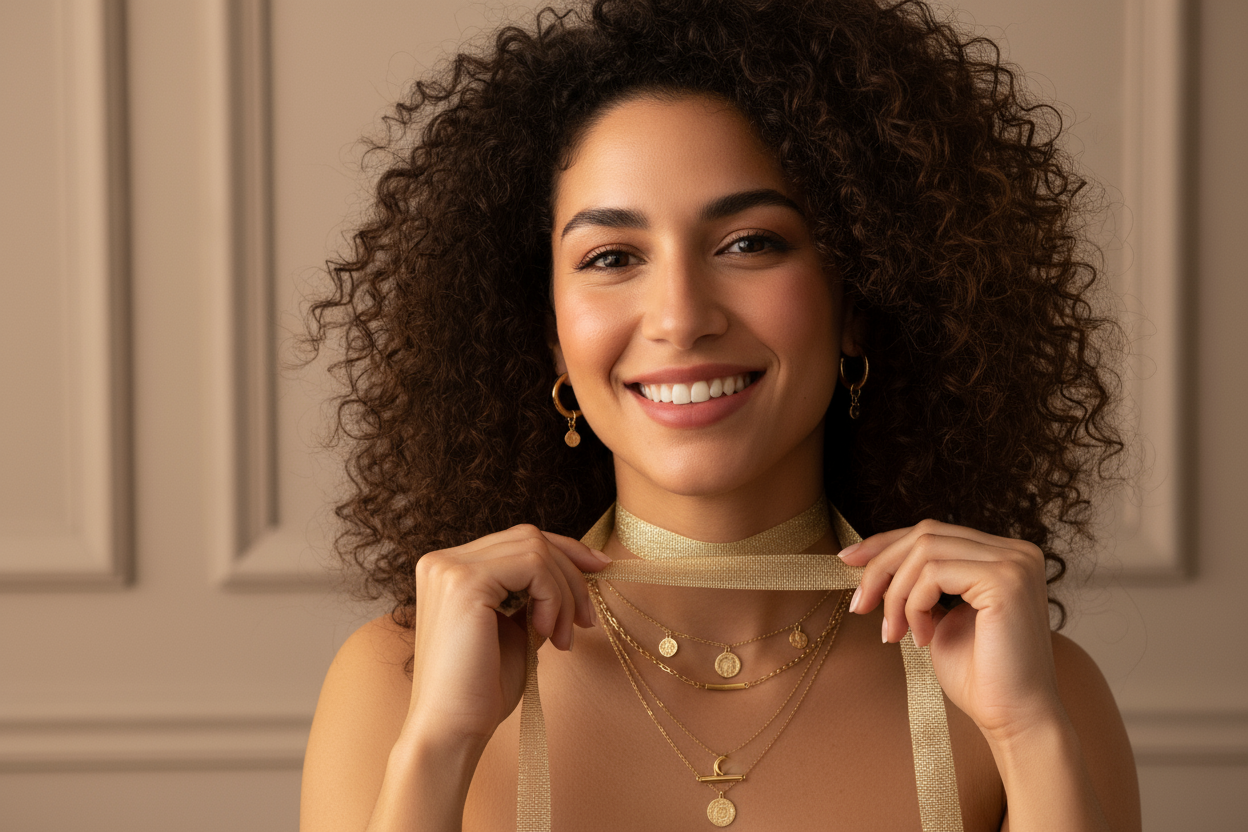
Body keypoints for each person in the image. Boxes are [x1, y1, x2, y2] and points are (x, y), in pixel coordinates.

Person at [299, 0, 1140, 829]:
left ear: (857, 301)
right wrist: (440, 745)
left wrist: (1027, 734)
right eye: (612, 257)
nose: (680, 317)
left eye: (749, 244)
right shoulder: (397, 683)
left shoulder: (1036, 692)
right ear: (552, 337)